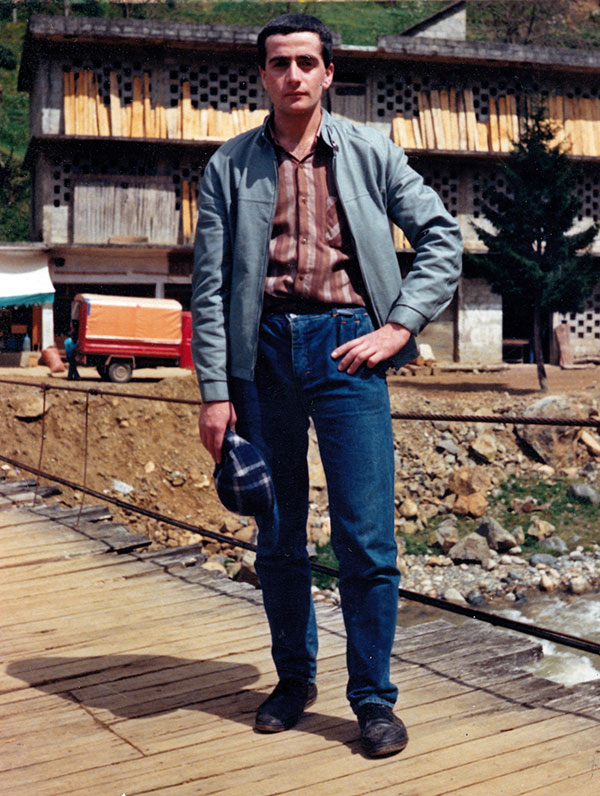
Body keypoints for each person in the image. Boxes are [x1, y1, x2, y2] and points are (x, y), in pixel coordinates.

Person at [191, 13, 462, 757]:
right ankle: (293, 679)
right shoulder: (229, 166)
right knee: (277, 534)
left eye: (306, 62)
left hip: (351, 351)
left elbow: (444, 237)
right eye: (279, 63)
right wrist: (215, 391)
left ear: (328, 73)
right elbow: (209, 289)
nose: (293, 76)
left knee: (367, 539)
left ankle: (374, 701)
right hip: (263, 357)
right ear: (264, 75)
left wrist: (400, 325)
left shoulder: (371, 152)